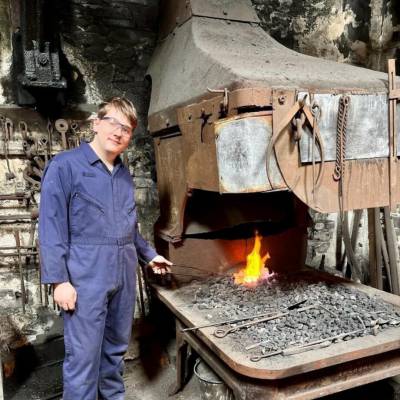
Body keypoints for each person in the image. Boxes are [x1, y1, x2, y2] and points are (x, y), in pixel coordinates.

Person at [39, 96, 171, 400]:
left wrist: (150, 256)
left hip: (123, 275)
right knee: (83, 361)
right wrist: (59, 280)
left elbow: (129, 229)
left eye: (126, 128)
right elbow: (50, 227)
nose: (119, 131)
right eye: (112, 122)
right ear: (96, 124)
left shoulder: (124, 176)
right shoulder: (65, 166)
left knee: (113, 356)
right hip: (86, 276)